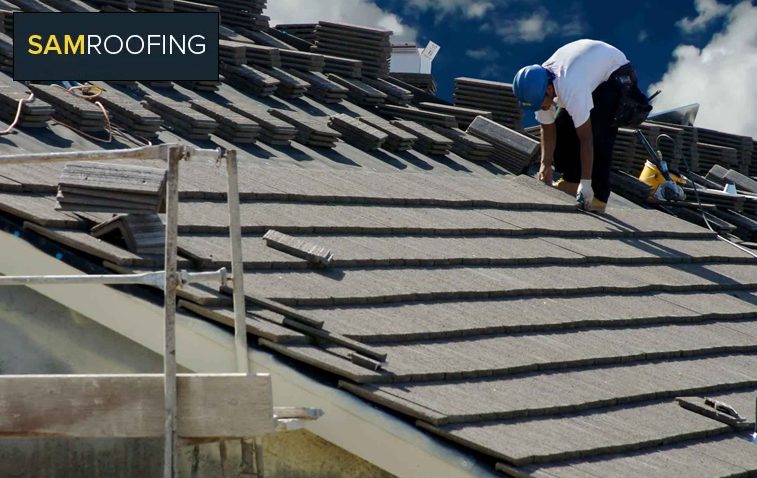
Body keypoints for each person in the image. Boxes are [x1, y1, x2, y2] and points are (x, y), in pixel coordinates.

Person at [513, 39, 639, 212]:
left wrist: (586, 183)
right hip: (588, 70)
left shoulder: (571, 86)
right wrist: (545, 164)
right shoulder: (540, 85)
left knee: (598, 133)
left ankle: (598, 196)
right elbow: (547, 127)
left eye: (541, 103)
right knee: (562, 127)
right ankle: (571, 181)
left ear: (549, 90)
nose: (542, 107)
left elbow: (586, 138)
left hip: (615, 74)